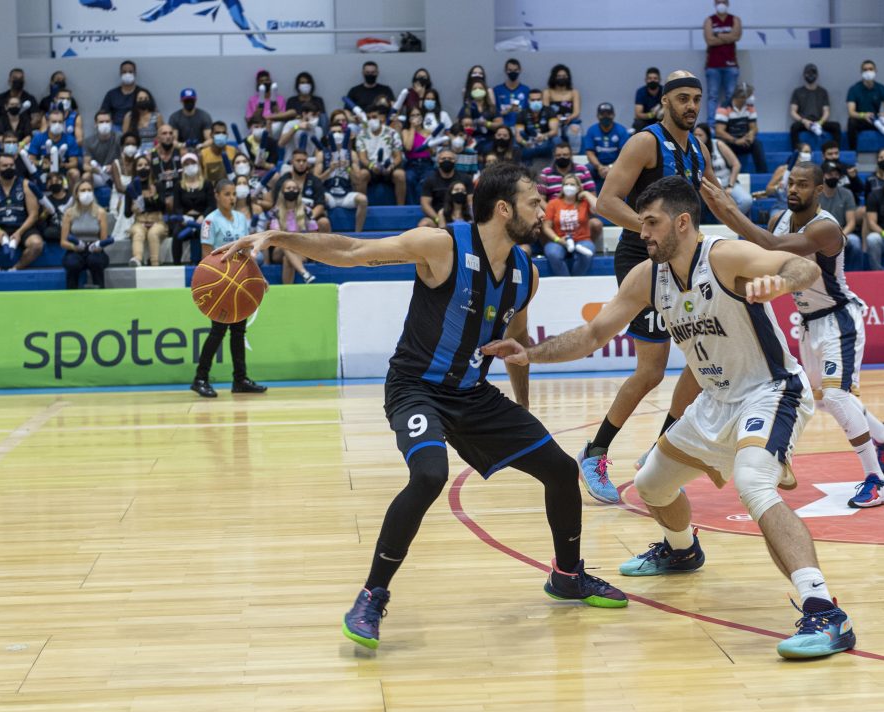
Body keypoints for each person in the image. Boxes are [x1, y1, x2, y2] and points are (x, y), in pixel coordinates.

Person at [215, 161, 629, 648]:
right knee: (430, 474)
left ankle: (567, 575)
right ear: (503, 209)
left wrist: (522, 408)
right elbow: (351, 251)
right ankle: (371, 595)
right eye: (534, 202)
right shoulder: (441, 245)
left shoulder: (526, 273)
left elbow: (516, 344)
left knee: (559, 469)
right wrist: (277, 236)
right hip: (415, 387)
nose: (543, 211)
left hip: (472, 395)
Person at [485, 175, 857, 659]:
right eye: (642, 224)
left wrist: (780, 281)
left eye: (652, 223)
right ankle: (682, 551)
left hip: (769, 393)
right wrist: (530, 353)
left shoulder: (724, 256)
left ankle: (825, 611)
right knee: (651, 484)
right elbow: (594, 334)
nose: (643, 233)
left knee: (753, 483)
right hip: (714, 402)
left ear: (682, 222)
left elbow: (801, 265)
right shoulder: (648, 277)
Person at [703, 162, 884, 503]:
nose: (793, 189)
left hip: (839, 318)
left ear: (819, 190)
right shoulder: (779, 219)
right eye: (790, 183)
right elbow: (762, 250)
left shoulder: (826, 228)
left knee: (838, 397)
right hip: (808, 322)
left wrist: (729, 209)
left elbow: (770, 244)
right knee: (822, 400)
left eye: (802, 184)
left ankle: (878, 480)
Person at [584, 71, 718, 503]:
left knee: (704, 361)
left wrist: (756, 235)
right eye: (683, 98)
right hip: (642, 259)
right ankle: (594, 452)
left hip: (683, 259)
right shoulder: (645, 142)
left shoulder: (698, 149)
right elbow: (606, 202)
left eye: (696, 98)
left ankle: (662, 451)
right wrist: (650, 229)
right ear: (665, 102)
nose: (691, 106)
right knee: (651, 371)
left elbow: (716, 201)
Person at [192, 180, 268, 398]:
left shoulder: (242, 219)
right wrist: (219, 281)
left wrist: (258, 277)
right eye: (227, 194)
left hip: (239, 283)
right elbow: (206, 256)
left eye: (234, 194)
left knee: (238, 331)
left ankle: (240, 379)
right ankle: (200, 378)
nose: (232, 198)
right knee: (217, 331)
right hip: (220, 285)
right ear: (217, 195)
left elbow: (246, 254)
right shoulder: (209, 221)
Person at [317, 118, 368, 233]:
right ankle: (327, 235)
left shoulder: (352, 154)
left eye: (339, 132)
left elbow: (358, 181)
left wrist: (348, 168)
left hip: (346, 194)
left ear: (344, 135)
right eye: (334, 132)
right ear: (328, 136)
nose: (337, 135)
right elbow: (316, 180)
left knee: (363, 199)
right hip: (328, 194)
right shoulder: (322, 154)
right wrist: (330, 170)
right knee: (320, 199)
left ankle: (358, 234)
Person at [542, 173, 598, 276]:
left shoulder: (584, 202)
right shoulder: (553, 203)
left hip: (582, 240)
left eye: (572, 185)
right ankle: (565, 281)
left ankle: (576, 281)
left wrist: (586, 193)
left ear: (578, 187)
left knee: (586, 253)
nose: (569, 187)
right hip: (559, 240)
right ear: (562, 187)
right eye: (566, 184)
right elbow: (546, 227)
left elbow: (598, 207)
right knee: (553, 254)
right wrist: (558, 240)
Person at [811, 159, 862, 269]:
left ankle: (856, 274)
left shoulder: (847, 194)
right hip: (819, 233)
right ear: (822, 176)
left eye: (836, 174)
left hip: (842, 232)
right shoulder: (814, 195)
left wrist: (841, 235)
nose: (834, 177)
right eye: (830, 174)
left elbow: (851, 223)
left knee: (855, 242)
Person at [60, 179, 110, 289]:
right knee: (72, 263)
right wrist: (74, 247)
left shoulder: (101, 212)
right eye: (83, 190)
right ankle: (72, 293)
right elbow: (63, 242)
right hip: (75, 249)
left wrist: (97, 247)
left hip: (95, 249)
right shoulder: (69, 213)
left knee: (95, 261)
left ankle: (100, 291)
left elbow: (104, 240)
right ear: (76, 194)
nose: (86, 193)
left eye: (89, 190)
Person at [268, 177, 318, 284]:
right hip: (279, 249)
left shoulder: (306, 210)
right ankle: (304, 272)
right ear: (282, 191)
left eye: (294, 188)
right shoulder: (275, 212)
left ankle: (301, 279)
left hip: (301, 249)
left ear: (299, 191)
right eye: (288, 188)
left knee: (287, 259)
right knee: (285, 243)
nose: (291, 190)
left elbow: (314, 233)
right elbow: (276, 235)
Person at [0, 152, 43, 270]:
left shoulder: (25, 184)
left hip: (22, 226)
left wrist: (19, 232)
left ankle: (15, 269)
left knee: (36, 244)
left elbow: (34, 214)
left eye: (11, 165)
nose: (9, 168)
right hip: (0, 227)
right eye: (5, 166)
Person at [694, 123, 750, 215]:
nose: (697, 138)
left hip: (727, 183)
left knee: (746, 200)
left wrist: (730, 186)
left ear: (707, 135)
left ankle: (731, 221)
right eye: (695, 135)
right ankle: (725, 220)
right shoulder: (692, 148)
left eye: (700, 135)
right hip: (708, 186)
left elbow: (736, 164)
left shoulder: (718, 144)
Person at [355, 103, 406, 204]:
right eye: (368, 118)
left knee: (400, 175)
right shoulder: (362, 135)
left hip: (389, 167)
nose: (371, 120)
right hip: (371, 168)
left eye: (374, 117)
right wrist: (372, 166)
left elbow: (398, 157)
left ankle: (400, 208)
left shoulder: (392, 133)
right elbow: (363, 158)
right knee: (362, 174)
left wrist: (391, 166)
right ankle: (362, 206)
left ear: (382, 118)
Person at [170, 151, 215, 265]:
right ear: (183, 167)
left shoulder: (207, 184)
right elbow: (176, 207)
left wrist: (203, 216)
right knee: (176, 234)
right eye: (187, 164)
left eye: (192, 163)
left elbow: (211, 205)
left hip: (204, 219)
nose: (190, 166)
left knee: (206, 234)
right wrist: (184, 218)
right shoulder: (179, 185)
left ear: (198, 164)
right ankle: (176, 265)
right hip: (185, 220)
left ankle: (208, 264)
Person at [846, 59, 884, 153]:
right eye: (865, 69)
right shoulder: (854, 89)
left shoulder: (881, 88)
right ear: (861, 72)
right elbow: (851, 112)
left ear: (875, 70)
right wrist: (863, 115)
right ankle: (853, 155)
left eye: (871, 69)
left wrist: (883, 114)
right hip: (862, 120)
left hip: (877, 119)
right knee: (851, 122)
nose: (868, 72)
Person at [703, 0, 741, 125]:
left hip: (731, 65)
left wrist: (718, 35)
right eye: (719, 1)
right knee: (712, 96)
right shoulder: (709, 20)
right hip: (713, 65)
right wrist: (728, 37)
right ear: (715, 4)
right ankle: (711, 124)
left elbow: (736, 36)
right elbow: (710, 40)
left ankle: (730, 123)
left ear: (727, 3)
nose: (721, 4)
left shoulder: (735, 19)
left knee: (731, 95)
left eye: (723, 1)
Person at [714, 83, 765, 174]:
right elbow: (719, 131)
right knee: (722, 144)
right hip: (730, 142)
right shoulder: (724, 107)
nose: (752, 97)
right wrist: (736, 141)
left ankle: (762, 173)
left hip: (744, 140)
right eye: (750, 95)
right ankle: (727, 174)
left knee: (757, 144)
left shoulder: (750, 107)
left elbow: (754, 127)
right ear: (742, 96)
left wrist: (751, 134)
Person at [789, 63, 841, 150]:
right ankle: (797, 152)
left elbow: (826, 111)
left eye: (813, 73)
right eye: (808, 73)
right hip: (804, 122)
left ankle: (835, 151)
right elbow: (793, 111)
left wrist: (820, 123)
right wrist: (804, 121)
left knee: (836, 126)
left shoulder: (823, 92)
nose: (810, 75)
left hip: (819, 122)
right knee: (794, 127)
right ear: (804, 75)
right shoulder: (797, 92)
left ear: (817, 75)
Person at [28, 108, 81, 185]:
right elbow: (31, 160)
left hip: (62, 171)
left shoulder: (70, 139)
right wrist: (40, 163)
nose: (57, 125)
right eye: (54, 122)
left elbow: (74, 162)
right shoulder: (38, 138)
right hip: (43, 171)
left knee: (75, 173)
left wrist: (63, 165)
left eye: (60, 122)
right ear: (48, 123)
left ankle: (72, 193)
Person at [419, 147, 469, 227]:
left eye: (450, 158)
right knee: (424, 224)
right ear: (438, 161)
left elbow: (470, 201)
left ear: (455, 161)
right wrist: (438, 219)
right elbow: (425, 203)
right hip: (436, 218)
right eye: (443, 158)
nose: (447, 161)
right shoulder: (430, 179)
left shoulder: (465, 178)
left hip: (460, 216)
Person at [583, 103, 629, 189]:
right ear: (597, 116)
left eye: (608, 114)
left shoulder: (622, 130)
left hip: (617, 164)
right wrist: (600, 167)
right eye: (602, 114)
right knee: (585, 169)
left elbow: (624, 154)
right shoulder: (592, 130)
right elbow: (589, 153)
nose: (605, 117)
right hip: (597, 165)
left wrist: (611, 167)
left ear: (613, 115)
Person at [516, 88, 560, 167]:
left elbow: (554, 131)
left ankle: (556, 164)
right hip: (529, 141)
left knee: (557, 140)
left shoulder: (549, 110)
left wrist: (544, 136)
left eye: (538, 99)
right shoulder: (522, 113)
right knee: (515, 145)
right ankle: (524, 165)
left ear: (542, 100)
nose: (536, 102)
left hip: (545, 139)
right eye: (533, 100)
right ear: (528, 101)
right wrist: (525, 143)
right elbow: (518, 136)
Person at [545, 65, 583, 150]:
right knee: (555, 132)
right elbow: (545, 110)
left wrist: (569, 118)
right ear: (554, 77)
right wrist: (555, 117)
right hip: (553, 121)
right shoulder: (547, 92)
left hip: (570, 121)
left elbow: (577, 112)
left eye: (564, 76)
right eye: (559, 76)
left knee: (575, 130)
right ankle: (557, 154)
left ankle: (574, 154)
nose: (562, 78)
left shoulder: (574, 92)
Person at [98, 61, 140, 133]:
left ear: (135, 73)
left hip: (136, 126)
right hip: (116, 127)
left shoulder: (142, 93)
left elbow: (150, 112)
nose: (127, 74)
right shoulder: (111, 94)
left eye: (130, 72)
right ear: (120, 74)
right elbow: (103, 112)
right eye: (124, 72)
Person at [245, 70, 289, 135]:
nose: (265, 83)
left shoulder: (280, 99)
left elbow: (282, 117)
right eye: (262, 81)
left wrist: (268, 119)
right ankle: (261, 102)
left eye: (267, 80)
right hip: (259, 127)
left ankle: (273, 101)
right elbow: (249, 121)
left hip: (275, 127)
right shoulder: (252, 100)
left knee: (277, 125)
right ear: (258, 84)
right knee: (255, 128)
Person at [83, 110, 120, 182]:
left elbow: (125, 160)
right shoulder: (89, 141)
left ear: (111, 123)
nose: (104, 124)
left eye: (107, 121)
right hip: (99, 174)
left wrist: (114, 166)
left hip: (116, 172)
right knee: (86, 176)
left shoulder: (119, 138)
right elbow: (85, 165)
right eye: (101, 122)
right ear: (95, 124)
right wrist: (97, 170)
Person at [494, 59, 531, 129]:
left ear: (520, 70)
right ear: (505, 71)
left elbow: (528, 111)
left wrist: (519, 110)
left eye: (515, 70)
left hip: (520, 127)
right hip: (502, 128)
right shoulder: (497, 90)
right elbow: (492, 112)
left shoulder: (526, 90)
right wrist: (504, 112)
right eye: (510, 70)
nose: (513, 72)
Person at [198, 121, 238, 185]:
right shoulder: (202, 154)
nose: (221, 135)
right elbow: (199, 178)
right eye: (217, 133)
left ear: (227, 135)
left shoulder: (234, 151)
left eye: (223, 133)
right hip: (211, 189)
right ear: (211, 135)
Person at [148, 123, 181, 200]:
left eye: (170, 133)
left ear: (173, 137)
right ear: (158, 138)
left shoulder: (181, 152)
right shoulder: (150, 155)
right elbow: (149, 180)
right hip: (158, 195)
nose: (168, 136)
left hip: (178, 194)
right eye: (164, 133)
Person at [633, 68, 664, 132]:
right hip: (645, 121)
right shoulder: (641, 92)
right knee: (638, 123)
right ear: (646, 80)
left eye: (655, 78)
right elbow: (638, 114)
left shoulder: (664, 91)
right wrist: (651, 115)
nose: (652, 80)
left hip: (661, 120)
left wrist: (663, 111)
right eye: (650, 78)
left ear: (659, 80)